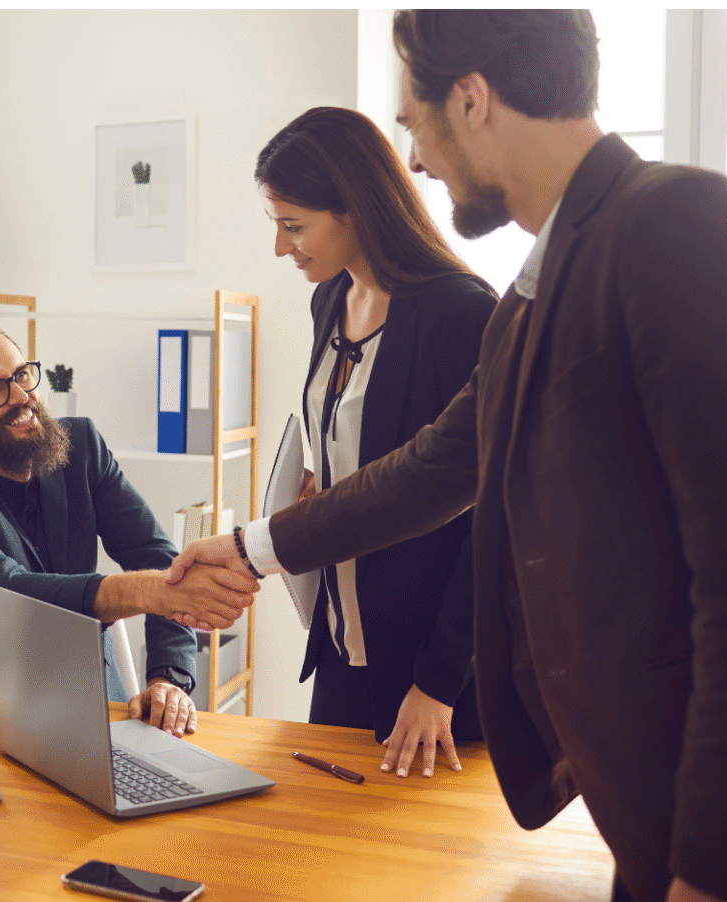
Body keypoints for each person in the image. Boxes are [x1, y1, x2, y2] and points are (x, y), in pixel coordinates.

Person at [168, 11, 727, 902]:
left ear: (470, 100)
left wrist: (708, 867)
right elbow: (432, 470)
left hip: (694, 830)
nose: (417, 159)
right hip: (637, 814)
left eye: (413, 122)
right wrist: (250, 548)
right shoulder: (528, 298)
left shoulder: (675, 219)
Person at [254, 106, 497, 779]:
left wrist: (441, 679)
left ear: (356, 208)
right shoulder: (328, 300)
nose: (281, 247)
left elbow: (493, 518)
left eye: (294, 225)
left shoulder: (462, 312)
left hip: (433, 679)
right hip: (338, 651)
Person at [0, 323, 259, 736]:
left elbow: (161, 561)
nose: (22, 397)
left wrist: (168, 679)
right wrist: (144, 591)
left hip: (96, 697)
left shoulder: (82, 447)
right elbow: (6, 591)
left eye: (21, 375)